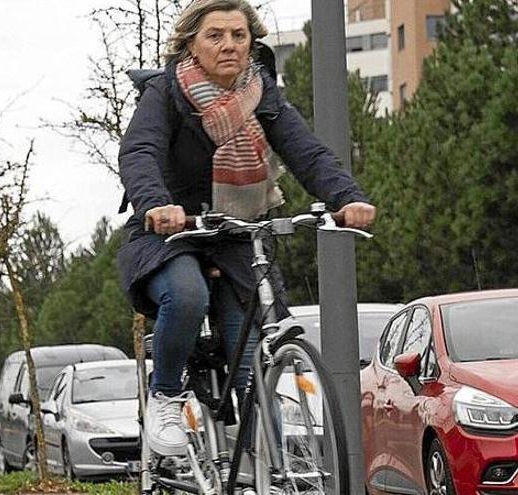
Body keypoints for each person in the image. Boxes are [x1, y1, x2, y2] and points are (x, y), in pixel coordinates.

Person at [116, 0, 376, 457]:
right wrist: (157, 205)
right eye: (215, 35)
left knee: (250, 358)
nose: (229, 45)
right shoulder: (166, 92)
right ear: (191, 43)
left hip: (237, 235)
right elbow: (140, 151)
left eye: (239, 35)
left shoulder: (261, 93)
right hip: (173, 233)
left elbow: (305, 151)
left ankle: (272, 468)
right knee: (188, 294)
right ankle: (165, 396)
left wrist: (346, 197)